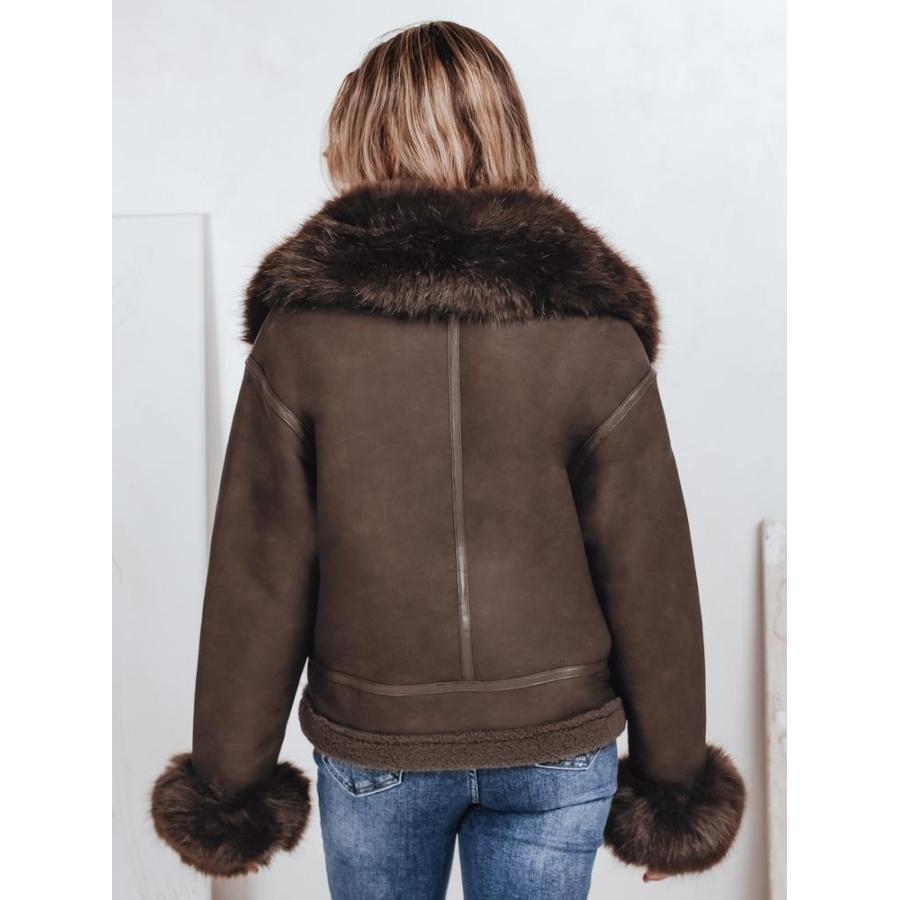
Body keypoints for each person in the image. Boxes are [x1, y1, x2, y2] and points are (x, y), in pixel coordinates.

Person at [151, 20, 745, 900]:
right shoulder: (593, 332)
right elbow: (648, 566)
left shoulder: (301, 337)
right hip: (556, 745)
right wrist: (673, 782)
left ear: (366, 138)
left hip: (379, 741)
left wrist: (228, 789)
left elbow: (260, 573)